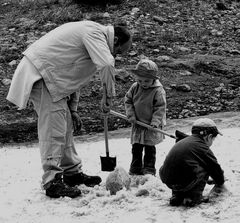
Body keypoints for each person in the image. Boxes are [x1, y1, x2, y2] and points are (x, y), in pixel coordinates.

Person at [6, 20, 132, 198]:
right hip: (42, 75)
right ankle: (52, 181)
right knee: (53, 128)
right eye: (118, 52)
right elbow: (106, 65)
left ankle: (72, 174)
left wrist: (73, 109)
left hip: (54, 78)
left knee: (65, 126)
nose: (117, 56)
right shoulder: (94, 33)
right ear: (116, 40)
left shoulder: (94, 37)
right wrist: (107, 97)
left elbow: (75, 76)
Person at [159, 118, 225, 207]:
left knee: (181, 165)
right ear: (209, 137)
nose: (212, 142)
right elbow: (215, 168)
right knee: (206, 166)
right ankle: (194, 197)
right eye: (213, 139)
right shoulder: (202, 147)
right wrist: (220, 181)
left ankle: (177, 196)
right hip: (183, 182)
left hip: (167, 179)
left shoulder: (183, 141)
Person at [124, 59, 167, 176]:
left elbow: (160, 108)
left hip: (150, 125)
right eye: (140, 80)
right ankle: (135, 168)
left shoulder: (158, 90)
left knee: (149, 148)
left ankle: (149, 169)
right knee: (136, 148)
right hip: (138, 123)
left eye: (147, 81)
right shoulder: (134, 87)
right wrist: (131, 115)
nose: (143, 83)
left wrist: (155, 122)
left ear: (154, 79)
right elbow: (128, 101)